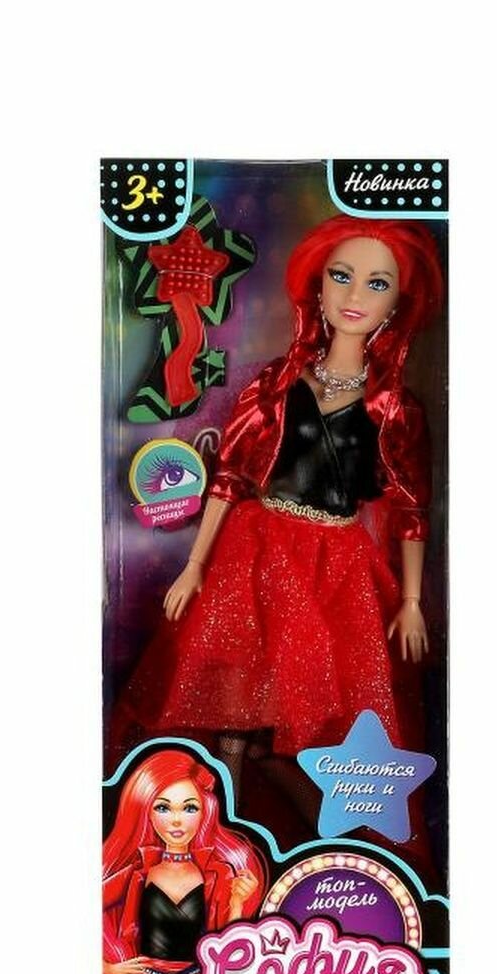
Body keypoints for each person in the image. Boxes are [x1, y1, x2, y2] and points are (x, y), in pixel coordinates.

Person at [115, 215, 444, 795]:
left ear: (398, 303)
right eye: (341, 276)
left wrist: (412, 600)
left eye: (377, 283)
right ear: (317, 286)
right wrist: (195, 564)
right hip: (258, 546)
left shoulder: (394, 406)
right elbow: (231, 475)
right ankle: (228, 808)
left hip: (337, 563)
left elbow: (412, 507)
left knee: (310, 708)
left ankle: (307, 819)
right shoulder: (279, 383)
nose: (354, 295)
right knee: (236, 700)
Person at [102, 748, 265, 974]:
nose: (176, 820)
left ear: (205, 812)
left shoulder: (216, 874)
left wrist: (237, 903)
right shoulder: (138, 872)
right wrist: (107, 968)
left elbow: (228, 946)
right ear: (145, 809)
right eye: (163, 808)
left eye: (190, 808)